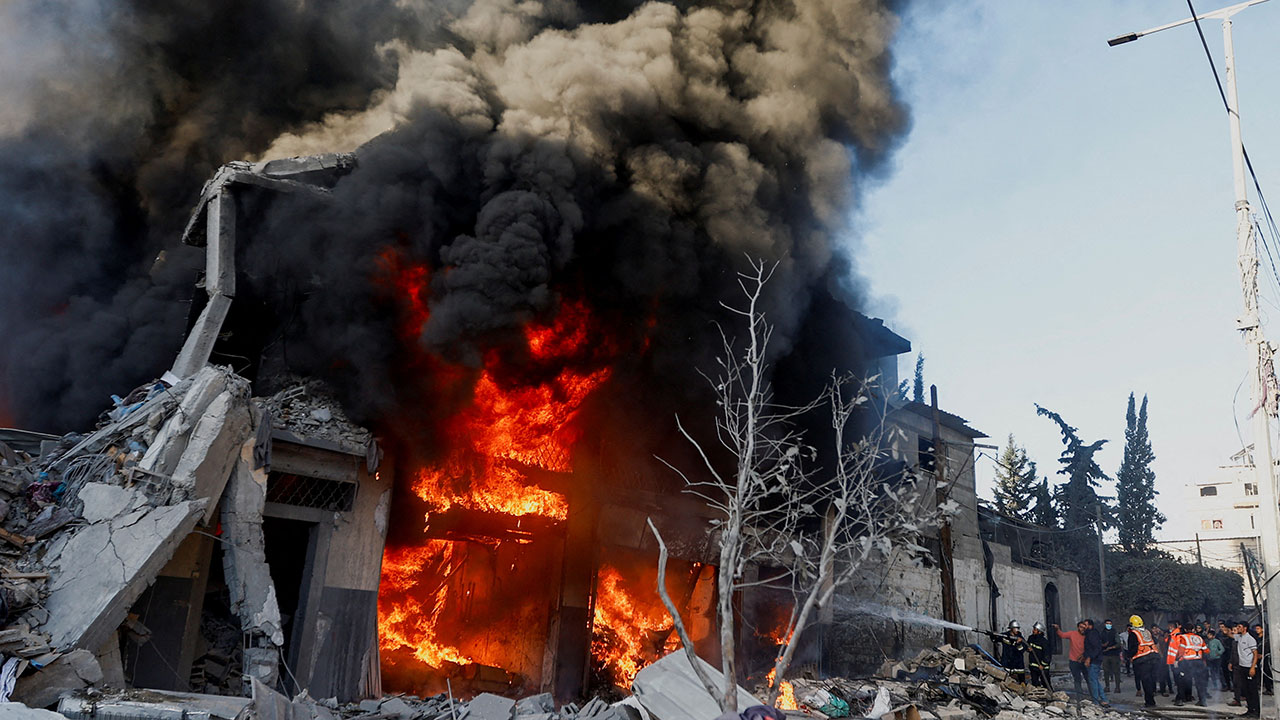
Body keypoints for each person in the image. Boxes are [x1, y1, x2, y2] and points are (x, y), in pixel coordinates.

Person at [1170, 620, 1209, 706]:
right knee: (1199, 682)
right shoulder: (1199, 638)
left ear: (1185, 629)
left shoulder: (1183, 637)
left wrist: (1176, 660)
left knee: (1182, 681)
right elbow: (1206, 650)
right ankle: (1202, 701)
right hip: (1198, 662)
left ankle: (1180, 700)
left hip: (1187, 662)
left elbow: (1181, 651)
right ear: (1193, 629)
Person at [1129, 614, 1161, 708]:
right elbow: (1154, 641)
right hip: (1154, 657)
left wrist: (1129, 656)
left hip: (1143, 660)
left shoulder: (1133, 633)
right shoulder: (1147, 632)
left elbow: (1133, 648)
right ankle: (1152, 699)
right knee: (1152, 680)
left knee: (1146, 682)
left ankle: (1150, 703)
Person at [1232, 620, 1261, 718]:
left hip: (1250, 667)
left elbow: (1255, 654)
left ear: (1245, 628)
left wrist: (1253, 667)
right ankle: (1250, 709)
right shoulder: (1239, 637)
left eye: (1239, 626)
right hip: (1242, 667)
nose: (1238, 628)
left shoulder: (1250, 639)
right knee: (1246, 690)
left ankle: (1256, 712)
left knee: (1252, 690)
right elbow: (1229, 634)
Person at [1055, 621, 1089, 697]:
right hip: (1074, 661)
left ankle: (1094, 696)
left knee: (1088, 679)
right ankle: (1079, 697)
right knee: (1077, 679)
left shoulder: (1088, 636)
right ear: (1078, 627)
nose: (1082, 629)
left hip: (1085, 661)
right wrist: (1057, 629)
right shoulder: (1072, 634)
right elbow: (1062, 635)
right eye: (1081, 627)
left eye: (1084, 627)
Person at [1083, 619, 1110, 706]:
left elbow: (1096, 648)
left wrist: (1089, 658)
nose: (1084, 627)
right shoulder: (1090, 634)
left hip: (1094, 661)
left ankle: (1096, 700)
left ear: (1090, 626)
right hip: (1094, 660)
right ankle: (1103, 698)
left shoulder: (1092, 634)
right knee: (1094, 680)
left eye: (1085, 625)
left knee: (1093, 681)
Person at [1102, 619, 1122, 693]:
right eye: (1107, 624)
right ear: (1104, 624)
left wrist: (1111, 647)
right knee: (1106, 671)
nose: (1108, 625)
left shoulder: (1114, 633)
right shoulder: (1102, 633)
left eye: (1110, 624)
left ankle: (1117, 687)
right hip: (1105, 655)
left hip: (1114, 654)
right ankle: (1107, 686)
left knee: (1116, 671)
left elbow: (1118, 643)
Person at [1028, 623, 1052, 688]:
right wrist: (1028, 649)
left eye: (1035, 629)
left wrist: (1043, 665)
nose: (1033, 631)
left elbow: (1047, 656)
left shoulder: (1044, 642)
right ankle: (1038, 696)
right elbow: (1027, 646)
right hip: (1034, 666)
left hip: (1043, 667)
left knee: (1046, 683)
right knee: (1035, 683)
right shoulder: (1031, 638)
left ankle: (1050, 694)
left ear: (1039, 631)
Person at [1254, 623, 1273, 696]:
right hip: (1257, 657)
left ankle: (1269, 688)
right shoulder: (1257, 638)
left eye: (1258, 629)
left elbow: (1268, 648)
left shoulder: (1266, 639)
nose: (1257, 630)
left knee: (1266, 672)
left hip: (1265, 657)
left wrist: (1263, 654)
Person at [1223, 620, 1240, 703]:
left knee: (1241, 681)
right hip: (1234, 662)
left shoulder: (1241, 639)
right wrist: (1230, 662)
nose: (1233, 632)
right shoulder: (1233, 641)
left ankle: (1242, 696)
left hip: (1242, 663)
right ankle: (1237, 698)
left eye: (1235, 630)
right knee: (1235, 681)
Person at [1155, 626, 1174, 696]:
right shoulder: (1168, 639)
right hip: (1166, 658)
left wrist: (1161, 656)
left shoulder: (1162, 639)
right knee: (1166, 675)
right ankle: (1170, 688)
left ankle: (1163, 690)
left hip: (1163, 658)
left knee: (1162, 675)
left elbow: (1159, 648)